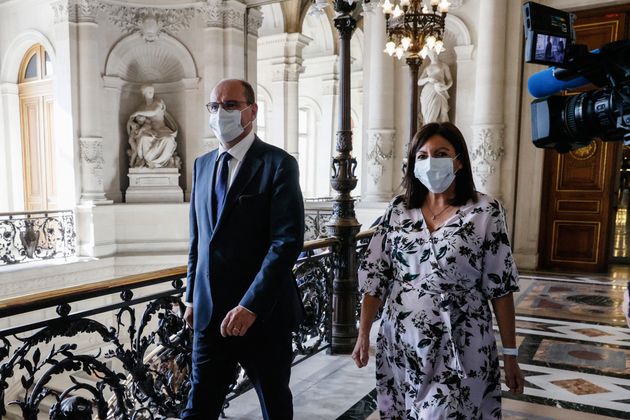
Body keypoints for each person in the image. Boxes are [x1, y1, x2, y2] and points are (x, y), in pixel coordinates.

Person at [352, 122, 524, 419]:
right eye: (422, 155)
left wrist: (510, 355)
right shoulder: (397, 210)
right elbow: (376, 276)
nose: (430, 161)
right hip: (402, 344)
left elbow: (501, 287)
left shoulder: (485, 211)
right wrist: (363, 333)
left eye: (440, 153)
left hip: (461, 343)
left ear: (459, 161)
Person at [181, 79, 305, 420]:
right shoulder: (202, 165)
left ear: (252, 111)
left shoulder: (278, 164)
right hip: (209, 316)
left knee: (274, 406)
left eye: (231, 105)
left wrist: (250, 306)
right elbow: (198, 241)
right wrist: (192, 296)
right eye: (215, 106)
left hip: (262, 316)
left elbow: (287, 242)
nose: (221, 112)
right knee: (199, 407)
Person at [127, 84, 180, 169]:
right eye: (148, 91)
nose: (151, 92)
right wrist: (135, 122)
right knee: (143, 138)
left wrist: (137, 113)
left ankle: (159, 162)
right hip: (150, 131)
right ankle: (146, 161)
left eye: (152, 91)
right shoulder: (142, 107)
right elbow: (137, 121)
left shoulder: (158, 102)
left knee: (168, 139)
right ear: (144, 93)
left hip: (162, 130)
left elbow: (153, 111)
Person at [418, 49, 453, 124]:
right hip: (427, 91)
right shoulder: (427, 68)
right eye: (430, 54)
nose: (433, 56)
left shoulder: (443, 65)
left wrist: (445, 87)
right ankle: (428, 128)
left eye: (434, 54)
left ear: (437, 53)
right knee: (427, 115)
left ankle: (434, 130)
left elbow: (450, 80)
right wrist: (428, 79)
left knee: (436, 112)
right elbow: (419, 82)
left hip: (438, 90)